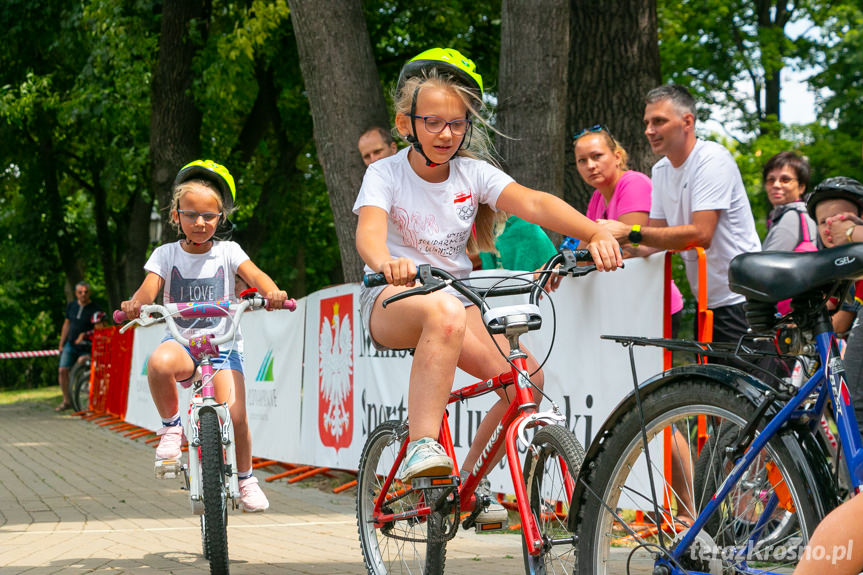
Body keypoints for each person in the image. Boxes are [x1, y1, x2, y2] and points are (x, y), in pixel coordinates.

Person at [354, 47, 621, 525]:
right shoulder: (385, 172)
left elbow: (535, 203)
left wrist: (595, 231)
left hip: (454, 300)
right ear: (405, 124)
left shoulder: (472, 173)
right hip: (392, 297)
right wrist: (387, 262)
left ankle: (465, 484)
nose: (446, 134)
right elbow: (369, 233)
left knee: (528, 382)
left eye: (457, 124)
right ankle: (421, 447)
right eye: (433, 122)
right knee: (444, 312)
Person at [120, 160, 289, 513]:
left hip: (222, 347)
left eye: (209, 216)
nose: (199, 223)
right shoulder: (165, 255)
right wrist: (136, 304)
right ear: (175, 216)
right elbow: (148, 290)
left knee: (238, 416)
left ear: (221, 217)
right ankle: (171, 429)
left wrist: (272, 293)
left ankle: (245, 479)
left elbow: (255, 274)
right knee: (159, 363)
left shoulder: (228, 252)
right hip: (183, 344)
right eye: (191, 214)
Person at [599, 84, 761, 347]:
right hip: (706, 302)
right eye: (647, 122)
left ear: (687, 121)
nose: (649, 130)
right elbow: (655, 240)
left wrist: (629, 232)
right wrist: (611, 250)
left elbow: (701, 234)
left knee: (751, 386)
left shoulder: (711, 159)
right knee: (711, 386)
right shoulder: (662, 170)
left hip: (741, 298)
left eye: (659, 121)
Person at [564, 125, 684, 336]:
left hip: (653, 304)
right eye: (582, 160)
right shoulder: (597, 198)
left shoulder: (633, 184)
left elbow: (627, 252)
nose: (590, 165)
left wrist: (582, 261)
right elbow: (581, 252)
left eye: (597, 156)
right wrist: (560, 268)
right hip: (624, 304)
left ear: (617, 157)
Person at [57, 281, 102, 411]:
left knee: (82, 364)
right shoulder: (71, 306)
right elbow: (66, 325)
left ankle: (85, 397)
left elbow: (100, 329)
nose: (83, 294)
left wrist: (85, 335)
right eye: (80, 292)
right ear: (76, 293)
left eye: (86, 292)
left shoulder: (96, 309)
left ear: (89, 293)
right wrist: (61, 343)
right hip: (70, 344)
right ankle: (66, 400)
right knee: (62, 370)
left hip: (87, 346)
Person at [762, 151, 816, 252]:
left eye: (785, 180)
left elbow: (768, 263)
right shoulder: (805, 213)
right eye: (771, 180)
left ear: (801, 187)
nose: (776, 185)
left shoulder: (792, 218)